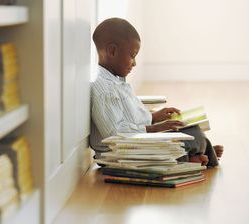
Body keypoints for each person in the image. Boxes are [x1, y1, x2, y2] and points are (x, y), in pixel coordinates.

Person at [89, 17, 223, 167]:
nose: (134, 63)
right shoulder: (104, 89)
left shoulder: (116, 81)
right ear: (112, 51)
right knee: (191, 136)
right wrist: (153, 129)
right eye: (132, 56)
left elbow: (131, 118)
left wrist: (154, 117)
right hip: (120, 153)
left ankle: (197, 152)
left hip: (136, 141)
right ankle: (196, 155)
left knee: (191, 129)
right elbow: (114, 133)